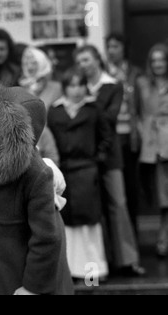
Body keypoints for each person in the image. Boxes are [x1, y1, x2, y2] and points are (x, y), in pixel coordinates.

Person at [0, 79, 73, 295]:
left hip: (27, 279)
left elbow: (47, 239)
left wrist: (32, 288)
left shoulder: (36, 175)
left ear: (9, 135)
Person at [74, 45, 146, 277]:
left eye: (86, 59)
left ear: (97, 59)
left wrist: (89, 106)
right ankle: (102, 262)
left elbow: (110, 117)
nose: (83, 65)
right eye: (80, 61)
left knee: (118, 204)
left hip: (111, 154)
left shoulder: (112, 85)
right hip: (86, 154)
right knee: (94, 209)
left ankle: (128, 260)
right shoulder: (79, 86)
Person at [48, 68, 112, 282]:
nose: (76, 90)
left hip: (87, 171)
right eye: (71, 85)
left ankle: (92, 274)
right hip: (64, 171)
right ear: (65, 88)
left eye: (80, 84)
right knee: (67, 224)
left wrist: (97, 158)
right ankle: (71, 272)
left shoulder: (94, 110)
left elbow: (106, 137)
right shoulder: (55, 112)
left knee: (89, 225)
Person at [106, 33, 144, 234]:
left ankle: (135, 239)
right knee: (115, 194)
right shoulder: (103, 73)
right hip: (111, 138)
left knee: (132, 189)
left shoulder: (135, 73)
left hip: (131, 137)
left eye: (116, 46)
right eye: (109, 46)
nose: (112, 50)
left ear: (123, 48)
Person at [135, 43, 168, 258]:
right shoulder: (142, 83)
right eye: (154, 60)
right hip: (152, 145)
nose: (157, 64)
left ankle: (163, 239)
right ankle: (162, 239)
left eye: (162, 59)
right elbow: (136, 112)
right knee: (162, 196)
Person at [19, 46, 62, 165]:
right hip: (33, 146)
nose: (30, 66)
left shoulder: (58, 88)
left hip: (58, 143)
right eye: (26, 63)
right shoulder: (20, 90)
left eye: (34, 62)